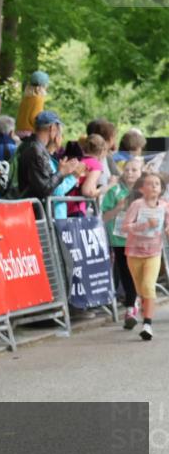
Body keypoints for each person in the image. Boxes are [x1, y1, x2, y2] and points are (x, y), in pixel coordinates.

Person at [122, 172, 169, 341]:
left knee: (148, 286)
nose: (154, 186)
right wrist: (144, 225)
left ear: (161, 188)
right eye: (150, 183)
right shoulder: (137, 205)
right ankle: (137, 306)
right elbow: (125, 227)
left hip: (153, 253)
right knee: (141, 289)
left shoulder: (164, 206)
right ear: (142, 189)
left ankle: (147, 325)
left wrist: (167, 229)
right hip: (134, 252)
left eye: (157, 183)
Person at [101, 157, 144, 329]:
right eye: (127, 169)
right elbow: (104, 217)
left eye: (134, 170)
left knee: (138, 273)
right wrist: (118, 208)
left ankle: (136, 302)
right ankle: (130, 307)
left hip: (141, 239)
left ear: (141, 173)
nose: (129, 173)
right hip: (119, 239)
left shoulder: (145, 190)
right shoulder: (115, 191)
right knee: (126, 272)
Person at [11, 111, 80, 201]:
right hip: (33, 210)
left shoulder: (28, 145)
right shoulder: (36, 151)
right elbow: (45, 189)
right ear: (52, 128)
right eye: (58, 130)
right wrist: (62, 172)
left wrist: (59, 171)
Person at [67, 134, 107, 216]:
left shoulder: (80, 161)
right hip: (77, 207)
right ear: (102, 151)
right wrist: (105, 188)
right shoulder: (95, 164)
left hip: (66, 206)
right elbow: (88, 191)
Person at [15, 70, 48, 137]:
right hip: (29, 134)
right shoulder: (38, 99)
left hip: (18, 132)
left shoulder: (25, 98)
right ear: (43, 86)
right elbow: (35, 118)